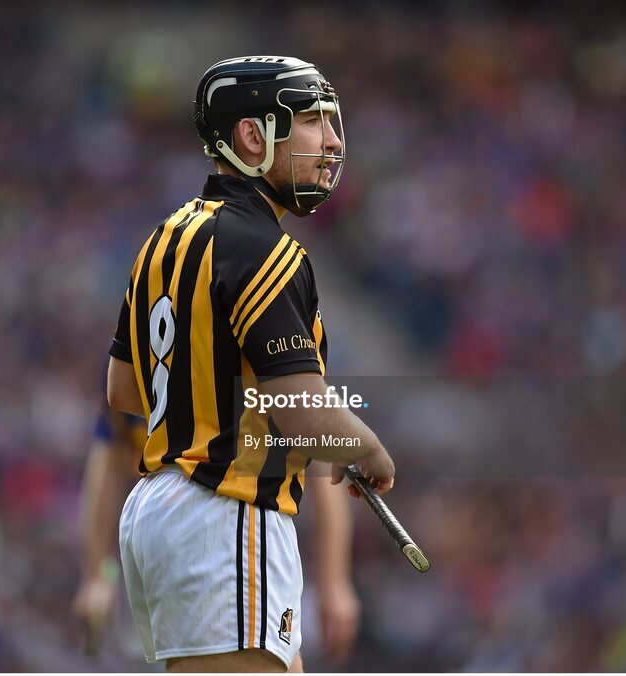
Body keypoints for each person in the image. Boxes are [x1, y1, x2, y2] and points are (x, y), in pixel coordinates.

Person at [105, 55, 395, 672]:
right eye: (314, 122)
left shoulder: (164, 239)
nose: (335, 141)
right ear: (252, 136)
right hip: (226, 510)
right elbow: (303, 412)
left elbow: (125, 390)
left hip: (162, 514)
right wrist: (368, 449)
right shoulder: (268, 251)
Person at [72, 408, 362, 665]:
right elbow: (109, 454)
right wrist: (98, 574)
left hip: (195, 537)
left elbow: (320, 459)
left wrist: (334, 581)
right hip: (206, 536)